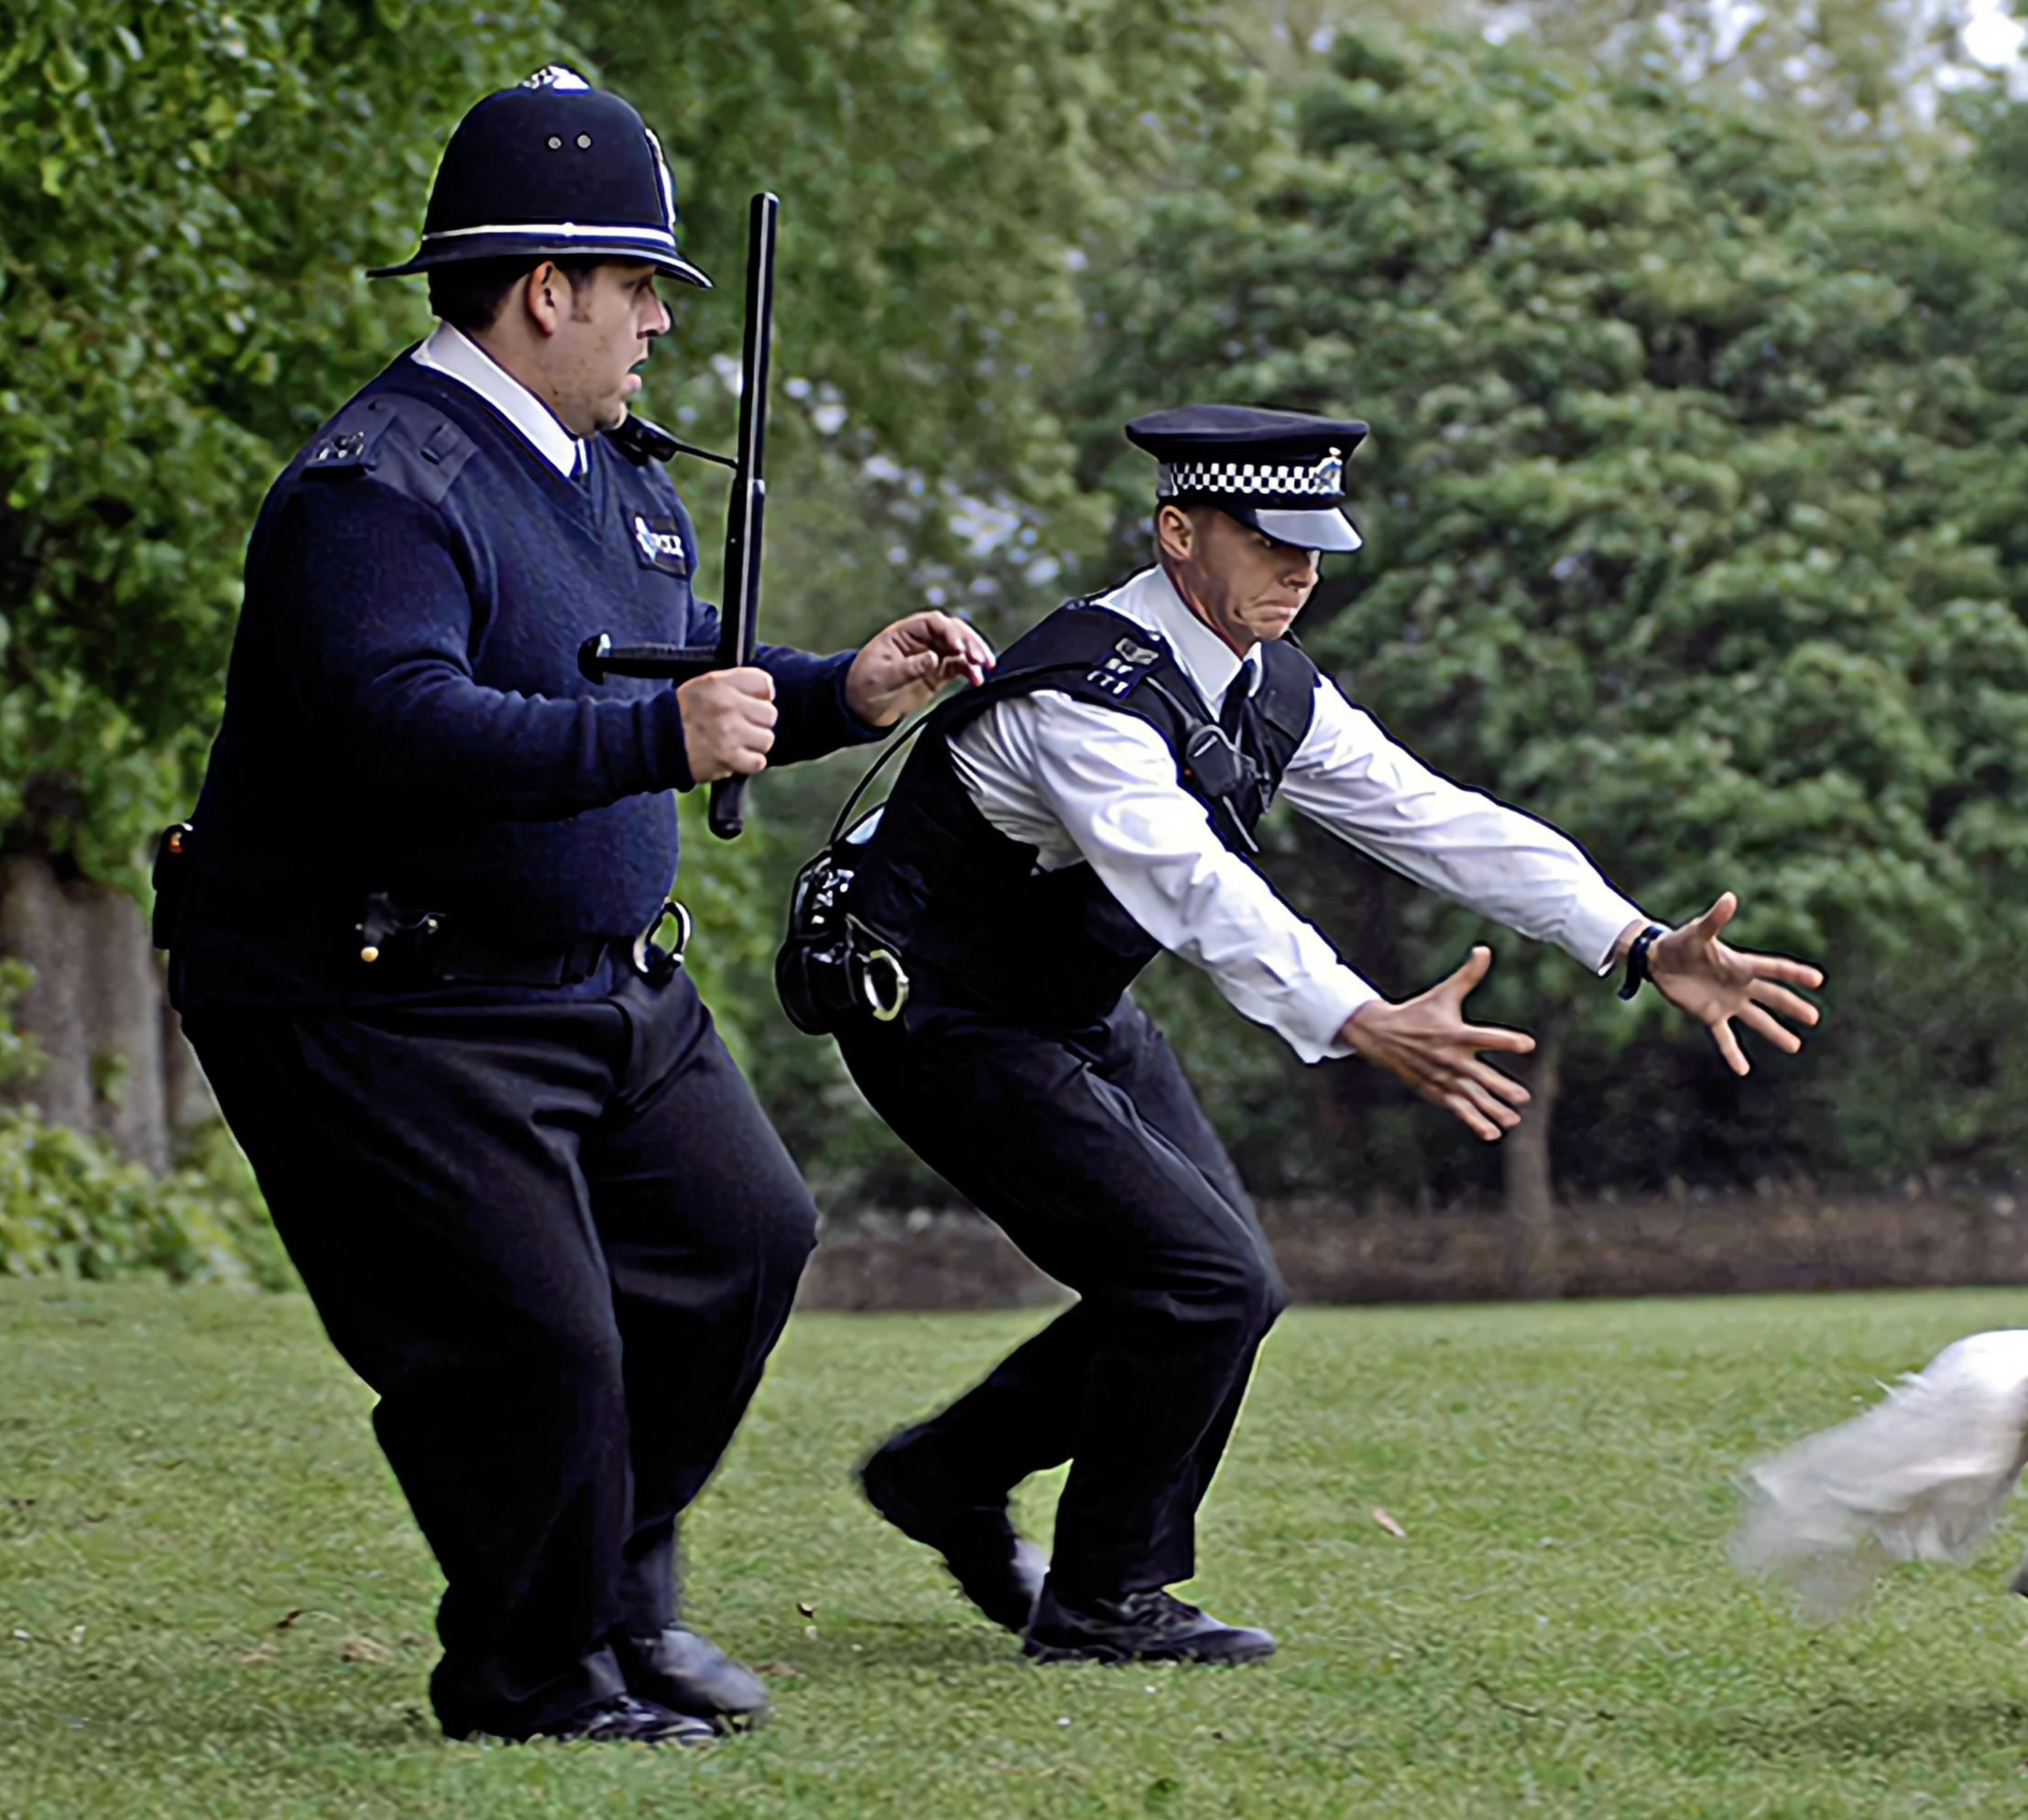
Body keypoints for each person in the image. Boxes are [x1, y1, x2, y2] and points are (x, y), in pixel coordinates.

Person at [158, 69, 994, 1746]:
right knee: (535, 1347)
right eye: (641, 292)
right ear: (547, 289)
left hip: (603, 983)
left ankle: (612, 1597)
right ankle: (531, 1678)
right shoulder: (372, 492)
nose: (660, 331)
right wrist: (654, 737)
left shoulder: (615, 477)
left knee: (740, 1243)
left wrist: (847, 691)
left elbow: (673, 682)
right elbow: (398, 727)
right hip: (378, 994)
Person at [833, 404, 1826, 1666]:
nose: (1301, 570)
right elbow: (1191, 886)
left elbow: (1433, 818)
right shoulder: (1086, 698)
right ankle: (1100, 1604)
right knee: (1202, 1283)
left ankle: (945, 1476)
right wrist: (1353, 1015)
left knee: (1218, 1288)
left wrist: (1631, 940)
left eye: (1315, 544)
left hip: (1064, 1008)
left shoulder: (1260, 684)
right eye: (1269, 541)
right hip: (939, 1015)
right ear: (1178, 530)